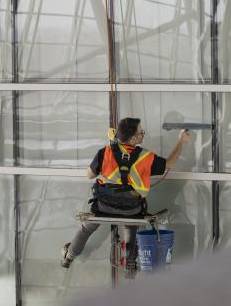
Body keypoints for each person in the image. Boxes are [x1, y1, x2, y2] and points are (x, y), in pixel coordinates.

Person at [61, 117, 191, 275]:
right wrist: (181, 142)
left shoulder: (105, 152)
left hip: (103, 207)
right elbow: (169, 164)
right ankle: (130, 264)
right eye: (141, 132)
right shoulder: (145, 157)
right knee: (130, 225)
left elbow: (89, 175)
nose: (143, 134)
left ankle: (69, 256)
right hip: (132, 209)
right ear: (134, 138)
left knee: (86, 229)